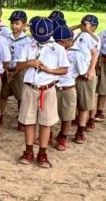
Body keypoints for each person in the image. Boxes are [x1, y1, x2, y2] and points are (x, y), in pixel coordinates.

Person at [15, 17, 69, 168]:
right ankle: (28, 151)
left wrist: (49, 70)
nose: (41, 40)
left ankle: (42, 153)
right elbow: (18, 66)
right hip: (30, 88)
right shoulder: (28, 45)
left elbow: (64, 69)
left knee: (46, 122)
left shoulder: (58, 48)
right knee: (28, 121)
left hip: (47, 89)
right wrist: (29, 62)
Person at [52, 25, 85, 151]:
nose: (57, 44)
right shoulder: (54, 51)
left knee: (67, 115)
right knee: (49, 113)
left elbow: (82, 71)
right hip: (54, 86)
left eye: (59, 42)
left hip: (67, 88)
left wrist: (70, 75)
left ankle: (63, 137)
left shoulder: (76, 54)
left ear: (67, 41)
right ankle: (48, 135)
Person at [0, 9, 30, 125]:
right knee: (3, 94)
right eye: (12, 23)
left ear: (24, 24)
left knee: (21, 96)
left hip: (20, 70)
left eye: (17, 23)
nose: (13, 26)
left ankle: (21, 120)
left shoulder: (27, 41)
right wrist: (6, 69)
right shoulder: (5, 38)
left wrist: (16, 71)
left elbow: (26, 59)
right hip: (6, 69)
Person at [72, 14, 100, 135]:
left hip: (87, 72)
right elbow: (67, 30)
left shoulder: (94, 37)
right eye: (84, 24)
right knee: (78, 100)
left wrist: (88, 30)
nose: (85, 26)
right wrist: (79, 26)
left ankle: (88, 123)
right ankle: (78, 119)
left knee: (87, 100)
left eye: (90, 25)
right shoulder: (78, 35)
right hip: (76, 72)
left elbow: (96, 47)